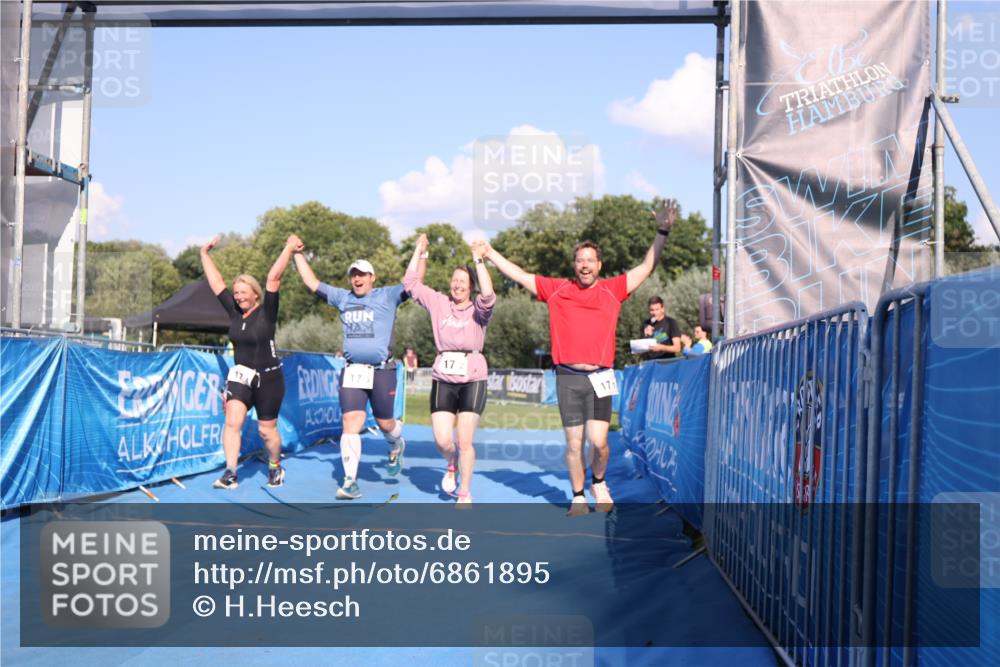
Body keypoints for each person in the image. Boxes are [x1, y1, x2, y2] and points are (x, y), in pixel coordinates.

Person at [484, 200, 677, 515]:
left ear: (600, 265)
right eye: (580, 261)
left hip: (601, 375)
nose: (585, 265)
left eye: (590, 260)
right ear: (574, 265)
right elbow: (518, 275)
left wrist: (663, 231)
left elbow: (646, 267)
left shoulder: (614, 290)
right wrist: (490, 253)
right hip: (569, 377)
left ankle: (599, 481)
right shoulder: (557, 290)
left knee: (599, 443)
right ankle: (577, 495)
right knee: (574, 444)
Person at [289, 234, 417, 500]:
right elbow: (311, 282)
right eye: (353, 275)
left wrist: (421, 252)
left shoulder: (388, 295)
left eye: (362, 275)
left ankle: (395, 445)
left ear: (373, 277)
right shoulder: (342, 297)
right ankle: (350, 481)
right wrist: (296, 253)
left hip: (382, 370)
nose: (357, 279)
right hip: (353, 370)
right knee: (351, 422)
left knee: (385, 423)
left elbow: (412, 281)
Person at [402, 234, 495, 505]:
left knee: (464, 440)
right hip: (443, 376)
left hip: (473, 377)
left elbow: (488, 294)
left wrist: (478, 259)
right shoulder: (439, 303)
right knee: (443, 440)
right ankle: (451, 462)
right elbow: (410, 283)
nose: (457, 285)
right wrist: (420, 250)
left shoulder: (479, 310)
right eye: (454, 280)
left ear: (471, 287)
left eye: (463, 281)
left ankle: (464, 492)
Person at [200, 234, 299, 490]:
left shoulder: (267, 312)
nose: (239, 296)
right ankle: (231, 472)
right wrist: (204, 254)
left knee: (267, 432)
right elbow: (216, 283)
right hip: (242, 376)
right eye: (236, 293)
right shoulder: (234, 312)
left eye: (244, 292)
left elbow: (273, 278)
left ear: (256, 294)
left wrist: (288, 248)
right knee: (233, 422)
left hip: (269, 379)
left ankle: (275, 465)